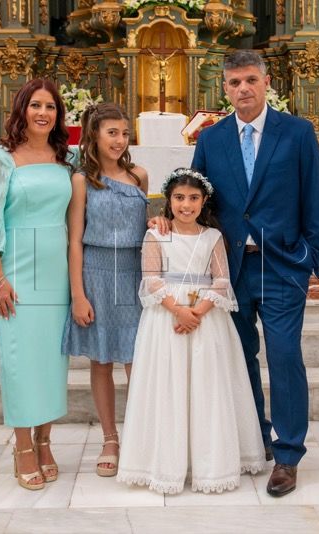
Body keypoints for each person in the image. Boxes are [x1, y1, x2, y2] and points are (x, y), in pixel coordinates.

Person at [190, 49, 319, 497]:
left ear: (267, 83)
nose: (243, 88)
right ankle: (256, 436)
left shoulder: (297, 133)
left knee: (284, 355)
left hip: (281, 265)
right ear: (224, 88)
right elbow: (197, 201)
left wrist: (310, 257)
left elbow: (315, 197)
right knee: (240, 355)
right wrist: (170, 225)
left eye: (251, 79)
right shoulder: (211, 140)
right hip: (229, 268)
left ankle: (288, 454)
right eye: (234, 82)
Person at [117, 168, 265, 494]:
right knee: (169, 385)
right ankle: (166, 462)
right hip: (166, 318)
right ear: (168, 201)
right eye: (179, 198)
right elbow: (151, 279)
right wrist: (179, 310)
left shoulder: (212, 237)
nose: (186, 205)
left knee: (206, 386)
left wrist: (197, 312)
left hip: (206, 320)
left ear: (204, 201)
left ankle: (209, 463)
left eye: (194, 198)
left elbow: (222, 280)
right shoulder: (156, 236)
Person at [0, 77, 73, 491]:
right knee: (19, 357)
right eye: (35, 105)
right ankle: (22, 446)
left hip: (56, 269)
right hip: (17, 265)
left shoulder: (67, 158)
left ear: (58, 114)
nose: (43, 113)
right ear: (21, 110)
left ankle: (45, 440)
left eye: (50, 107)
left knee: (51, 358)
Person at [62, 103, 148, 477]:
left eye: (125, 133)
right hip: (96, 271)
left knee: (137, 358)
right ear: (94, 135)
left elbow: (147, 229)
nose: (119, 140)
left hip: (133, 273)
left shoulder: (139, 176)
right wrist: (78, 295)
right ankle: (110, 438)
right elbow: (74, 240)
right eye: (112, 132)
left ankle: (143, 436)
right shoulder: (82, 180)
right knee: (101, 359)